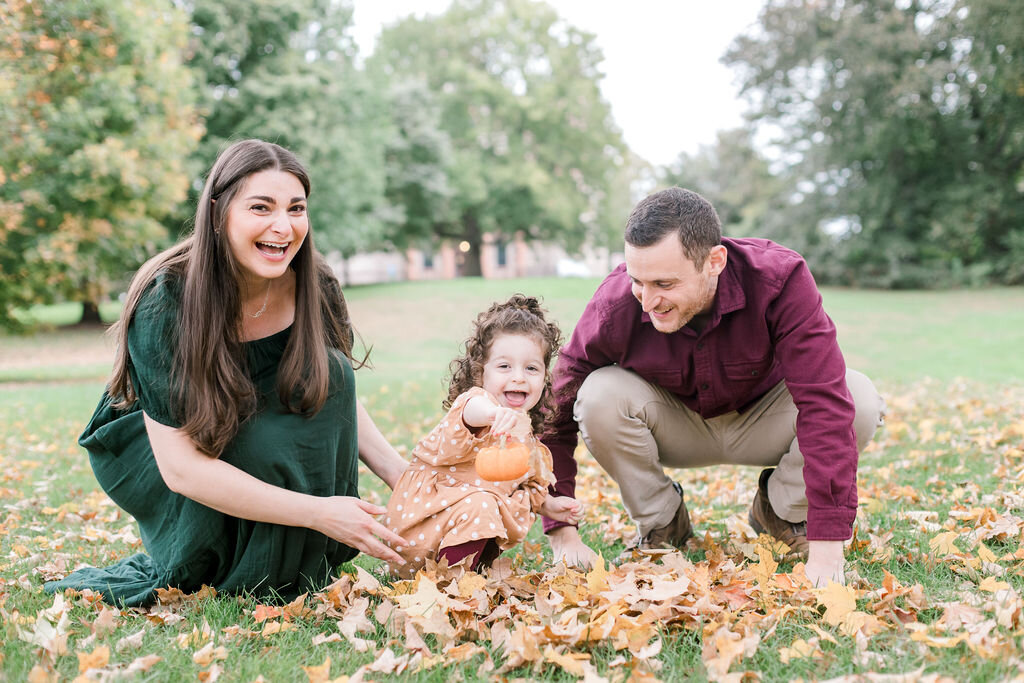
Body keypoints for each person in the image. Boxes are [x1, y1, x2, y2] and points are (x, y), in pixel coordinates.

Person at [45, 139, 409, 606]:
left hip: (256, 419)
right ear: (219, 212)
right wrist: (320, 512)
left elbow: (333, 394)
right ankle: (229, 551)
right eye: (261, 207)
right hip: (176, 445)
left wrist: (404, 477)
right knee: (259, 440)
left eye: (296, 208)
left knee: (333, 368)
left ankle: (296, 549)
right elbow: (181, 469)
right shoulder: (165, 301)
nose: (283, 226)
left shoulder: (315, 284)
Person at [540, 187, 885, 587]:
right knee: (596, 394)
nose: (648, 302)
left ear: (714, 261)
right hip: (675, 425)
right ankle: (662, 522)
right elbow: (556, 411)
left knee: (856, 397)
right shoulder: (617, 303)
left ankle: (782, 511)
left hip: (764, 420)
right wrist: (561, 533)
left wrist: (828, 546)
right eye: (639, 281)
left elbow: (823, 400)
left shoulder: (780, 280)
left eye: (664, 284)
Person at [382, 295, 583, 578]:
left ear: (544, 378)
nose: (519, 377)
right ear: (480, 373)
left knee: (495, 503)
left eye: (532, 368)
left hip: (460, 529)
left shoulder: (524, 436)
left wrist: (550, 506)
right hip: (422, 533)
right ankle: (451, 585)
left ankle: (470, 574)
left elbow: (522, 485)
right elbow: (472, 410)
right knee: (483, 504)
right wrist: (492, 414)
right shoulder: (475, 405)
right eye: (504, 366)